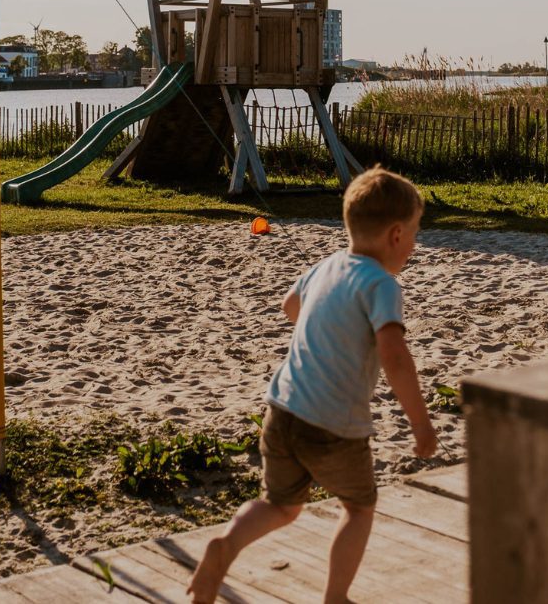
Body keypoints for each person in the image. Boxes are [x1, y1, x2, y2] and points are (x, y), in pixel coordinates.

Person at [188, 167, 438, 604]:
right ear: (396, 235)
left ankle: (224, 546)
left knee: (280, 505)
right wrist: (421, 425)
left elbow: (290, 307)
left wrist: (331, 326)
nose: (414, 245)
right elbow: (395, 357)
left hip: (282, 409)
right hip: (334, 425)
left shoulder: (327, 266)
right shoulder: (381, 285)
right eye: (415, 234)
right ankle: (335, 597)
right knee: (358, 508)